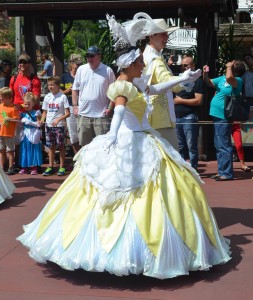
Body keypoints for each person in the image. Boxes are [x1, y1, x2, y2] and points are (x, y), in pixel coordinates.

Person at [17, 14, 230, 280]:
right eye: (140, 62)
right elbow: (118, 112)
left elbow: (155, 88)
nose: (143, 65)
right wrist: (112, 137)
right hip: (129, 140)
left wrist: (182, 78)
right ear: (129, 65)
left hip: (145, 136)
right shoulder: (122, 85)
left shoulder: (136, 81)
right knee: (124, 191)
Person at [142, 13, 182, 150]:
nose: (166, 37)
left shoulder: (146, 56)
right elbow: (168, 82)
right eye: (162, 34)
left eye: (166, 34)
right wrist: (186, 80)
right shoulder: (155, 59)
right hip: (160, 117)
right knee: (172, 159)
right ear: (152, 36)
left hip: (152, 115)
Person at [203, 60, 246, 181]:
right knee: (219, 144)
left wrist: (228, 67)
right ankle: (222, 171)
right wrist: (205, 74)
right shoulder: (222, 78)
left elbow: (229, 78)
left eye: (232, 64)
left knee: (224, 144)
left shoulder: (237, 80)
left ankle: (227, 173)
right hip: (216, 115)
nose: (230, 63)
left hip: (224, 116)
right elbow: (209, 83)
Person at [72, 45, 116, 147]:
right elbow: (75, 89)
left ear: (99, 56)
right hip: (83, 115)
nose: (89, 58)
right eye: (87, 56)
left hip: (101, 116)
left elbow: (114, 92)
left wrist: (110, 107)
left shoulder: (108, 70)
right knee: (84, 148)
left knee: (102, 148)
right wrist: (75, 106)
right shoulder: (81, 69)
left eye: (92, 55)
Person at [174, 56, 204, 171]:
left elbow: (198, 100)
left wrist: (180, 101)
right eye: (182, 65)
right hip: (177, 117)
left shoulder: (197, 81)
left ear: (193, 66)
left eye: (186, 65)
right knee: (180, 146)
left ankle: (193, 169)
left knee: (191, 146)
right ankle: (182, 169)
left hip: (189, 117)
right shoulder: (179, 79)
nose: (183, 67)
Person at [41, 76, 70, 176]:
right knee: (51, 146)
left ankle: (62, 167)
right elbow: (44, 111)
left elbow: (68, 113)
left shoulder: (62, 97)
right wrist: (41, 120)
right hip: (48, 125)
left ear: (57, 85)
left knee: (61, 146)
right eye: (49, 85)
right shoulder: (47, 97)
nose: (50, 87)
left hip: (59, 126)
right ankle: (51, 166)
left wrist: (58, 119)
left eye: (52, 85)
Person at [0, 87, 20, 175]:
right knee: (0, 150)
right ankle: (1, 167)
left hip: (9, 133)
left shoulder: (13, 108)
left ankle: (11, 166)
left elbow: (17, 119)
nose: (0, 98)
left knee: (10, 150)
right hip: (0, 132)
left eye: (2, 97)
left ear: (8, 97)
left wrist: (10, 119)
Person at [60, 54, 83, 155]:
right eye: (77, 64)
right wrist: (68, 91)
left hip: (82, 107)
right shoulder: (65, 77)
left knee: (83, 133)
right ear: (71, 64)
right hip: (69, 106)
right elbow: (60, 92)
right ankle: (76, 157)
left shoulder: (83, 75)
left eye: (80, 64)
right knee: (73, 134)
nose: (79, 66)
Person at [19, 92, 43, 175]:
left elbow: (39, 124)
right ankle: (25, 167)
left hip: (33, 133)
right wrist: (21, 123)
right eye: (25, 104)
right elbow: (20, 123)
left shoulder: (36, 112)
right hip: (25, 134)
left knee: (33, 150)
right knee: (25, 150)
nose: (26, 106)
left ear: (33, 104)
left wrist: (30, 122)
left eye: (28, 104)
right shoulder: (22, 113)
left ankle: (34, 167)